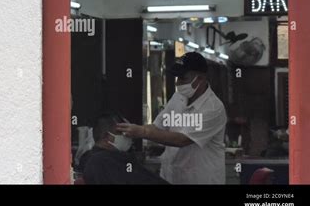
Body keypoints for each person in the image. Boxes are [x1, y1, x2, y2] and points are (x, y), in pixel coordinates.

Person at [117, 52, 227, 184]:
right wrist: (132, 129)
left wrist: (142, 132)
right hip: (173, 178)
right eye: (177, 78)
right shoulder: (178, 97)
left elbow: (182, 140)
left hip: (202, 179)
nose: (178, 83)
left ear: (200, 79)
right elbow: (157, 126)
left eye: (183, 78)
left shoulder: (213, 108)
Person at [79, 113, 168, 185]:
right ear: (106, 136)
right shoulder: (101, 161)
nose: (128, 137)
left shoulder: (116, 158)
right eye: (122, 133)